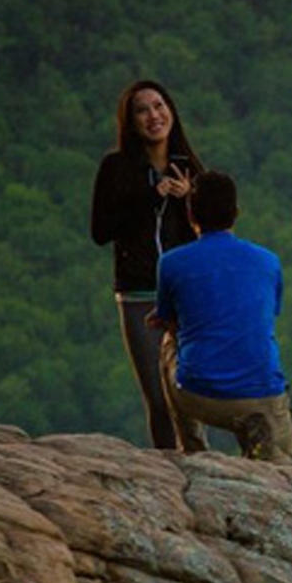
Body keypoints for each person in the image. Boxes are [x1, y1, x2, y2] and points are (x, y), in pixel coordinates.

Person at [147, 171, 292, 462]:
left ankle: (192, 448)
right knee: (283, 467)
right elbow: (263, 315)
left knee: (169, 343)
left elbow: (169, 320)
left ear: (191, 213)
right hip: (262, 396)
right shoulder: (268, 260)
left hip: (197, 396)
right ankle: (262, 445)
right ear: (236, 213)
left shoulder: (171, 263)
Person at [90, 80, 204, 449]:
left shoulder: (189, 168)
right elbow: (100, 230)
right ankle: (171, 468)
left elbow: (213, 232)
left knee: (192, 391)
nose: (154, 115)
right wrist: (149, 197)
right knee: (158, 395)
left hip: (186, 293)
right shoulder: (116, 168)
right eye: (143, 110)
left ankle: (202, 466)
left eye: (159, 105)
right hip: (138, 293)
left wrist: (190, 201)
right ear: (131, 121)